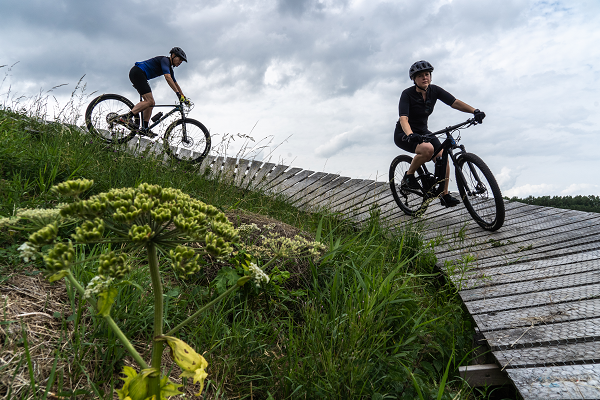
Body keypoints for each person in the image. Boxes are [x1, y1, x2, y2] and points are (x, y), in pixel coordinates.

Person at [394, 60, 486, 207]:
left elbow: (454, 102)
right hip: (404, 134)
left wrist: (474, 111)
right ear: (414, 79)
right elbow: (403, 118)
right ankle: (409, 176)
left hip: (424, 132)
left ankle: (444, 194)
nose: (425, 77)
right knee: (428, 150)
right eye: (420, 75)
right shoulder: (407, 94)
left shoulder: (434, 90)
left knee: (443, 156)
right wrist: (410, 134)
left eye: (427, 74)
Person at [118, 47, 191, 137]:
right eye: (180, 59)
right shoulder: (165, 60)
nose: (180, 62)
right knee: (149, 101)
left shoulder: (170, 68)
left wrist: (183, 96)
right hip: (138, 73)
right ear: (173, 55)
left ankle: (145, 128)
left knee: (151, 103)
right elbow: (167, 77)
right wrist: (177, 94)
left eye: (182, 61)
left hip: (140, 75)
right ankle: (126, 117)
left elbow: (175, 83)